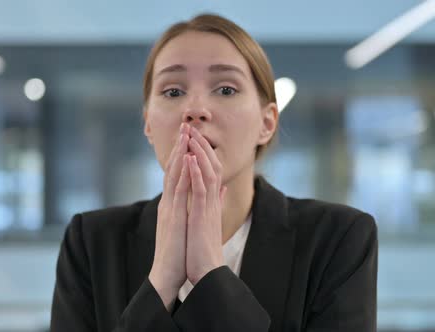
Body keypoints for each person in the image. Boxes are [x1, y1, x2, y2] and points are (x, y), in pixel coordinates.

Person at [50, 13, 378, 332]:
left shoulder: (338, 238)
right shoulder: (91, 242)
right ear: (148, 123)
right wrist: (162, 279)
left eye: (225, 89)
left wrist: (210, 271)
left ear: (267, 123)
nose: (194, 109)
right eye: (173, 92)